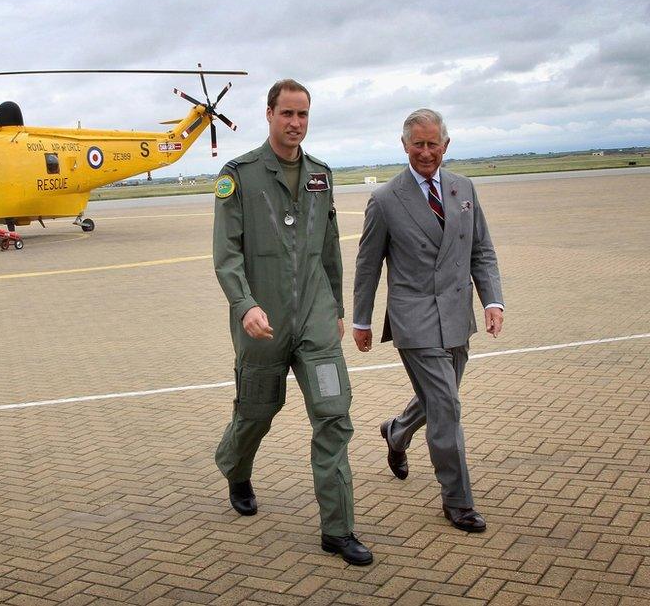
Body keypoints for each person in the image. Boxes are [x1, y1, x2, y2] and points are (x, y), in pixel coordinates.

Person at [213, 79, 372, 565]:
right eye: (287, 114)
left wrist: (338, 310)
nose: (296, 123)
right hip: (261, 323)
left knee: (333, 414)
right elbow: (227, 254)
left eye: (303, 115)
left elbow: (330, 251)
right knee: (258, 411)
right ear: (269, 114)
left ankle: (337, 529)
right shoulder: (238, 175)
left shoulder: (321, 175)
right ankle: (235, 467)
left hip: (316, 322)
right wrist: (245, 305)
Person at [352, 108, 504, 532]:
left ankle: (397, 431)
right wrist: (362, 320)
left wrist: (493, 301)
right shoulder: (385, 199)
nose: (425, 152)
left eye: (432, 143)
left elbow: (481, 251)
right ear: (404, 145)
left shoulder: (464, 189)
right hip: (413, 318)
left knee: (441, 399)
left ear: (445, 145)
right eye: (416, 144)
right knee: (447, 405)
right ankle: (457, 501)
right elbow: (368, 266)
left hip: (457, 315)